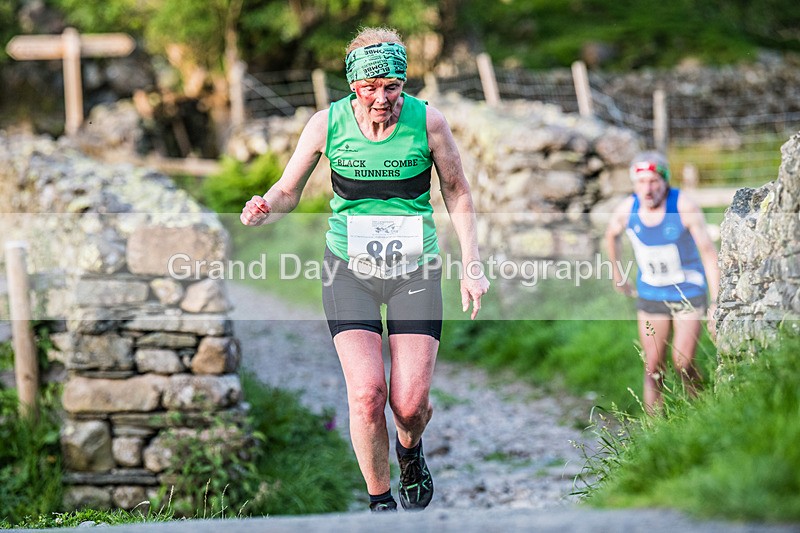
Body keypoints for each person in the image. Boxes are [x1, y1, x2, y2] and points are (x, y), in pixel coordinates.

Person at [240, 27, 490, 512]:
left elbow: (457, 191)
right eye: (370, 87)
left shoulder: (429, 123)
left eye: (392, 86)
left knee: (410, 404)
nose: (382, 98)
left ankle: (411, 451)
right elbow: (288, 189)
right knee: (367, 394)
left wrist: (471, 266)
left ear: (403, 82)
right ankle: (380, 504)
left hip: (414, 269)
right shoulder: (325, 124)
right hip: (348, 270)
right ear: (353, 84)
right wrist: (267, 204)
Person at [605, 151, 719, 414]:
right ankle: (653, 433)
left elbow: (709, 253)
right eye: (641, 182)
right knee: (653, 367)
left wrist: (715, 302)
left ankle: (702, 410)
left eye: (654, 181)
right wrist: (617, 273)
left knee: (682, 362)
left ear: (665, 181)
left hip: (688, 292)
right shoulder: (627, 209)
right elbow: (611, 235)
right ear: (634, 184)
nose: (648, 189)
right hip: (651, 294)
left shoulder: (682, 206)